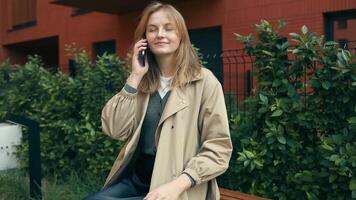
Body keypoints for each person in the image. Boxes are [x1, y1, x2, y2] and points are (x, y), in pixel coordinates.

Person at [83, 1, 232, 200]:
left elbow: (219, 148)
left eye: (168, 29)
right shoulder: (141, 83)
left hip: (178, 186)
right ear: (145, 39)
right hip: (136, 181)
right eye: (152, 29)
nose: (160, 34)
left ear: (181, 36)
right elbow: (114, 129)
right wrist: (135, 76)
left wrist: (178, 185)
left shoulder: (205, 82)